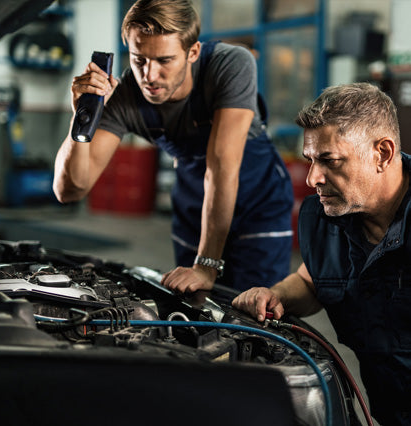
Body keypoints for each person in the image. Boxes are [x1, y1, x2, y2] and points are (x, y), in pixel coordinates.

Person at [53, 0, 293, 293]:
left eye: (164, 60)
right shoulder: (125, 95)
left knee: (255, 304)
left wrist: (206, 265)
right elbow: (70, 190)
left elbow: (221, 166)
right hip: (194, 200)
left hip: (257, 201)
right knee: (195, 306)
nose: (149, 76)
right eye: (139, 59)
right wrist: (81, 117)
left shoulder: (230, 64)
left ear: (193, 52)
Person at [232, 82, 411, 426]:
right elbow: (314, 281)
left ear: (383, 154)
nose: (313, 177)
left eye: (330, 160)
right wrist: (276, 294)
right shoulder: (325, 217)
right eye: (311, 160)